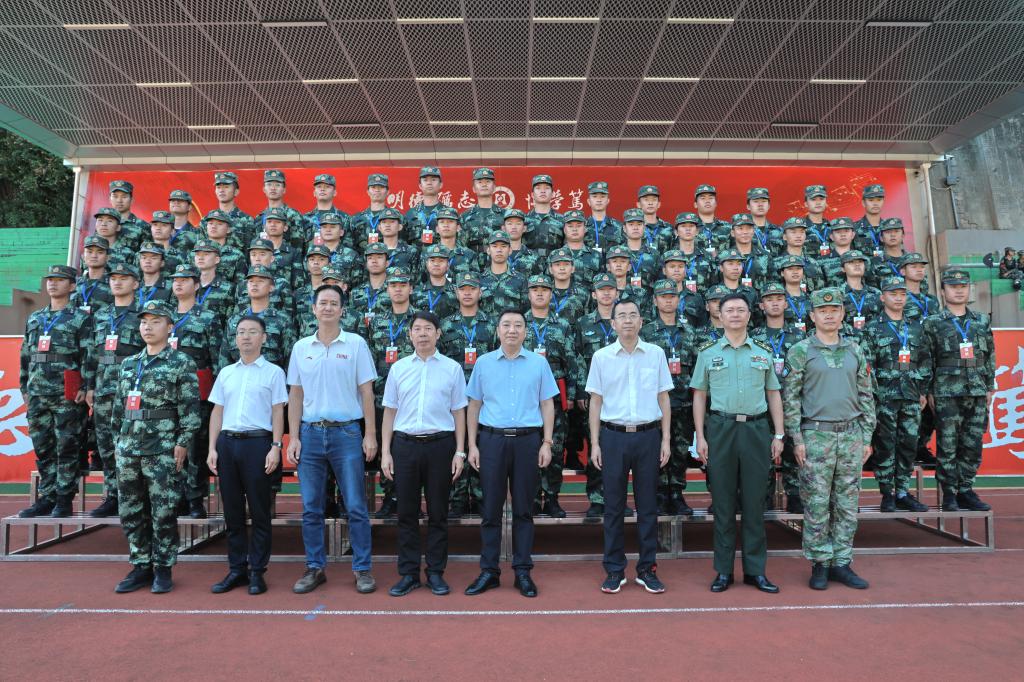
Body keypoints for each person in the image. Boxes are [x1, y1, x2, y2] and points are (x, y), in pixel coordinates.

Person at [287, 284, 378, 595]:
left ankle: (362, 569)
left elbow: (367, 392)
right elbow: (295, 395)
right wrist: (294, 437)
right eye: (322, 303)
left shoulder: (355, 344)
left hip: (347, 433)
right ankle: (315, 567)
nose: (327, 308)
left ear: (342, 310)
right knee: (311, 507)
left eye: (333, 303)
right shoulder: (301, 347)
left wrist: (370, 434)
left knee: (356, 505)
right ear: (314, 309)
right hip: (310, 433)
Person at [691, 293, 784, 594]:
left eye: (740, 310)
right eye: (729, 310)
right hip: (721, 429)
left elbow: (773, 394)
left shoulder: (762, 352)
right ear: (719, 315)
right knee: (723, 503)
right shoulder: (708, 353)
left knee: (755, 503)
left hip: (756, 429)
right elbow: (699, 396)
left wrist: (779, 434)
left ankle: (756, 571)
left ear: (749, 315)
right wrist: (700, 436)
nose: (734, 314)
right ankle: (724, 570)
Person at [783, 288, 875, 591]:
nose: (829, 315)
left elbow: (866, 395)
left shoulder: (854, 349)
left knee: (847, 504)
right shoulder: (800, 351)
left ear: (843, 314)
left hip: (850, 435)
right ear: (812, 316)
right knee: (817, 504)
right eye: (823, 311)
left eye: (835, 310)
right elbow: (791, 398)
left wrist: (866, 436)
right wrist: (797, 438)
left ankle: (842, 562)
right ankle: (820, 563)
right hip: (815, 436)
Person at [464, 309, 559, 598]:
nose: (512, 330)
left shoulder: (539, 364)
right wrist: (472, 445)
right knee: (490, 509)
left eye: (518, 325)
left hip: (528, 441)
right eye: (506, 325)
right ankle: (489, 571)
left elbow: (547, 404)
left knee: (523, 510)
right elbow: (474, 406)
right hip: (492, 441)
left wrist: (547, 442)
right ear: (497, 330)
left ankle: (522, 571)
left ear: (525, 331)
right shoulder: (483, 363)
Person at [112, 300, 201, 594]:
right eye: (144, 322)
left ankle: (163, 567)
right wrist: (117, 443)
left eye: (155, 321)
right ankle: (140, 565)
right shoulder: (129, 363)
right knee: (130, 510)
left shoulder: (181, 362)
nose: (147, 327)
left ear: (170, 327)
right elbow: (119, 408)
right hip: (129, 448)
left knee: (163, 510)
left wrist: (183, 442)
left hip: (162, 448)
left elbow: (190, 409)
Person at [587, 299, 672, 594]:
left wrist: (666, 439)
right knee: (613, 507)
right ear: (612, 323)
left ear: (641, 321)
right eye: (621, 316)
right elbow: (595, 402)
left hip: (648, 436)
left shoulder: (655, 354)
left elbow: (663, 398)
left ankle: (647, 569)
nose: (627, 320)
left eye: (633, 315)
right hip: (613, 437)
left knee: (648, 506)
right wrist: (595, 443)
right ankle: (614, 569)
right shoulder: (601, 357)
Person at [380, 311, 468, 597]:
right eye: (416, 329)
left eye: (428, 328)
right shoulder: (398, 368)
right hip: (404, 446)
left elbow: (459, 411)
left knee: (438, 513)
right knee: (406, 513)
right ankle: (408, 574)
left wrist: (460, 451)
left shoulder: (452, 369)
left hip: (440, 446)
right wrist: (386, 452)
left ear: (438, 333)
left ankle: (435, 572)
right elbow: (389, 411)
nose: (422, 334)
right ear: (409, 335)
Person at [207, 315, 288, 595]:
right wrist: (212, 447)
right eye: (241, 332)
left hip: (258, 444)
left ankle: (257, 571)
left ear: (263, 338)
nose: (246, 336)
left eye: (253, 332)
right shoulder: (226, 373)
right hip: (228, 443)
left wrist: (276, 446)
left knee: (259, 512)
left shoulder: (274, 373)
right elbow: (217, 411)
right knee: (232, 513)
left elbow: (278, 412)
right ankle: (236, 569)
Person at [18, 265, 92, 518]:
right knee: (43, 446)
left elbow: (88, 355)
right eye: (50, 279)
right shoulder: (36, 318)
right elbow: (26, 354)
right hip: (38, 392)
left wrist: (85, 385)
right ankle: (47, 496)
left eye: (60, 280)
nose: (53, 283)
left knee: (67, 445)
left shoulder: (80, 318)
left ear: (72, 286)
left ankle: (63, 498)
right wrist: (24, 385)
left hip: (66, 393)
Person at [923, 268, 996, 512]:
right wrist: (929, 390)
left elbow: (989, 355)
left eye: (963, 286)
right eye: (953, 287)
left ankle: (966, 489)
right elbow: (927, 359)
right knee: (948, 444)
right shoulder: (933, 323)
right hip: (946, 392)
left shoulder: (981, 320)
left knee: (972, 443)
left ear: (969, 290)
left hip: (976, 390)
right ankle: (949, 493)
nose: (958, 290)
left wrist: (989, 386)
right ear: (943, 291)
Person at [864, 277, 931, 513]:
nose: (899, 298)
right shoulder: (873, 328)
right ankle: (887, 493)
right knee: (885, 444)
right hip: (885, 396)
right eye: (893, 294)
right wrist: (872, 395)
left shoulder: (916, 327)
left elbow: (925, 360)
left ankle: (902, 491)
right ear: (883, 297)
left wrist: (922, 390)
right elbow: (867, 366)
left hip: (911, 394)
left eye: (902, 294)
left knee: (909, 444)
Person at [83, 263, 144, 518]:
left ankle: (136, 496)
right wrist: (89, 386)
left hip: (132, 390)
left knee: (133, 443)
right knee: (107, 446)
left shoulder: (143, 315)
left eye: (124, 278)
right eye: (114, 278)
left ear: (136, 283)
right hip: (103, 390)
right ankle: (113, 496)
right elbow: (91, 354)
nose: (117, 282)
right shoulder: (101, 315)